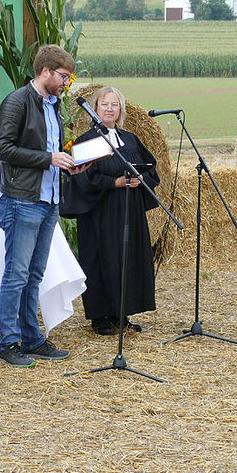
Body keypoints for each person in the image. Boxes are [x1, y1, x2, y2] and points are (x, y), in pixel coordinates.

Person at [0, 44, 89, 368]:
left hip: (48, 199)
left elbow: (48, 150)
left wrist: (67, 164)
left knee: (35, 274)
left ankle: (32, 339)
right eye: (64, 76)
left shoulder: (54, 104)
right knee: (16, 275)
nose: (67, 83)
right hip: (22, 200)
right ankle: (9, 344)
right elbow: (3, 148)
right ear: (45, 71)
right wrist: (48, 158)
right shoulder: (17, 101)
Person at [61, 86, 159, 336]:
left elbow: (151, 168)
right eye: (104, 104)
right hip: (99, 212)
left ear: (121, 110)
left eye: (114, 105)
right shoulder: (86, 142)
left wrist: (140, 178)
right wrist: (112, 183)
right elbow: (82, 178)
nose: (109, 109)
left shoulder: (129, 139)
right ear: (94, 109)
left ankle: (121, 313)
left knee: (126, 259)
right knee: (101, 259)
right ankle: (99, 316)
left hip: (128, 209)